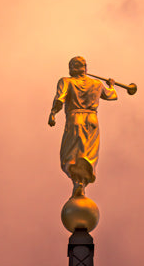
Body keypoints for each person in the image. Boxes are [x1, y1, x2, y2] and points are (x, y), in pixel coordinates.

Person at [48, 56, 117, 197]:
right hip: (92, 120)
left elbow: (60, 98)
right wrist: (111, 85)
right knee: (88, 153)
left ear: (72, 68)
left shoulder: (66, 81)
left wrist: (53, 113)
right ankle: (82, 184)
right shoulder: (96, 84)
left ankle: (77, 183)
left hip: (75, 118)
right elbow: (111, 95)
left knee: (70, 154)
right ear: (85, 68)